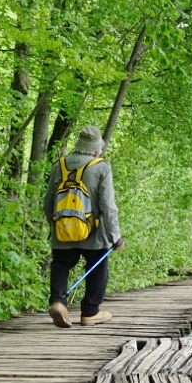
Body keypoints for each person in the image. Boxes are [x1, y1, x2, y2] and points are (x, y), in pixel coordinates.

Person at [43, 125, 125, 328]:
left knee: (61, 265)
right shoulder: (101, 166)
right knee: (97, 268)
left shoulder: (59, 165)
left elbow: (47, 203)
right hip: (94, 232)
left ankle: (58, 303)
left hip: (62, 229)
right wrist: (115, 236)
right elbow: (107, 206)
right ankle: (90, 312)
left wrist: (55, 228)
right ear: (97, 150)